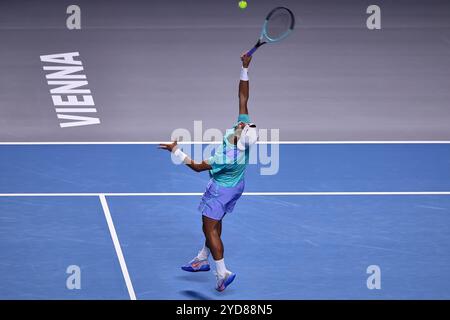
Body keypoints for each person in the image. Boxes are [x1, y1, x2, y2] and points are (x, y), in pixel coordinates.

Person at [159, 53, 257, 292]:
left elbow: (197, 167)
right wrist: (244, 68)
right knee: (215, 222)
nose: (244, 122)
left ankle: (222, 272)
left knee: (209, 227)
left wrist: (176, 151)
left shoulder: (226, 156)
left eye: (244, 126)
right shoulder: (241, 133)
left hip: (221, 190)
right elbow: (243, 97)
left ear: (239, 137)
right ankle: (203, 257)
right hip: (236, 186)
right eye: (245, 124)